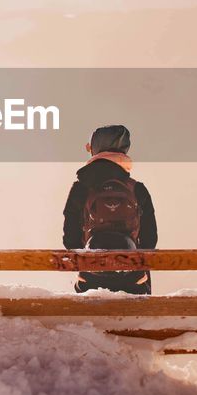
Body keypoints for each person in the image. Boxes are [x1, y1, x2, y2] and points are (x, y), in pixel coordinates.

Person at [62, 124, 158, 294]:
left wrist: (84, 260)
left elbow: (70, 235)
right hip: (132, 275)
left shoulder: (81, 187)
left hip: (91, 273)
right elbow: (150, 237)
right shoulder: (136, 188)